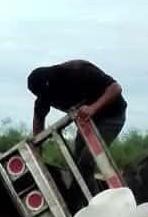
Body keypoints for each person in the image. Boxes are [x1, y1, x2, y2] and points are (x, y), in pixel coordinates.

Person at [28, 60, 126, 191]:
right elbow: (38, 121)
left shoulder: (78, 70)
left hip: (111, 117)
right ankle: (76, 202)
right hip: (86, 123)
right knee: (76, 166)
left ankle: (97, 205)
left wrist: (93, 108)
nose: (49, 98)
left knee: (86, 161)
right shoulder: (44, 95)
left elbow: (116, 88)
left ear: (52, 82)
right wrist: (37, 153)